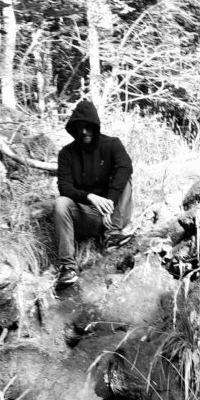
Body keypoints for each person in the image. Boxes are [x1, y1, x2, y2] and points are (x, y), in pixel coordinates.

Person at [54, 100, 133, 285]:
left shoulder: (112, 144)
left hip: (114, 214)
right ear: (73, 129)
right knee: (60, 203)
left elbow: (125, 167)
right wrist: (89, 197)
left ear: (95, 126)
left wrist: (109, 202)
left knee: (125, 178)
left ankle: (113, 235)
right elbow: (64, 187)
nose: (84, 132)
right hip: (88, 215)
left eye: (88, 126)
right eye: (79, 127)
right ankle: (68, 267)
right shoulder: (66, 154)